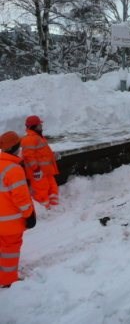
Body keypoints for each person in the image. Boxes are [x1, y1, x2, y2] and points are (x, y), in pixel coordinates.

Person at [0, 131, 36, 288]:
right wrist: (29, 215)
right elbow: (21, 199)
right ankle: (7, 280)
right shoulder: (14, 170)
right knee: (10, 250)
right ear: (16, 147)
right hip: (10, 223)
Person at [21, 115, 60, 209]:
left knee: (52, 187)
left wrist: (53, 155)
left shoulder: (38, 137)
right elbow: (28, 156)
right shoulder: (29, 139)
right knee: (41, 191)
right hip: (38, 173)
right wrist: (36, 169)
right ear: (33, 126)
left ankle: (54, 206)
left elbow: (43, 153)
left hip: (46, 171)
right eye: (39, 125)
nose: (41, 127)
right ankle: (44, 210)